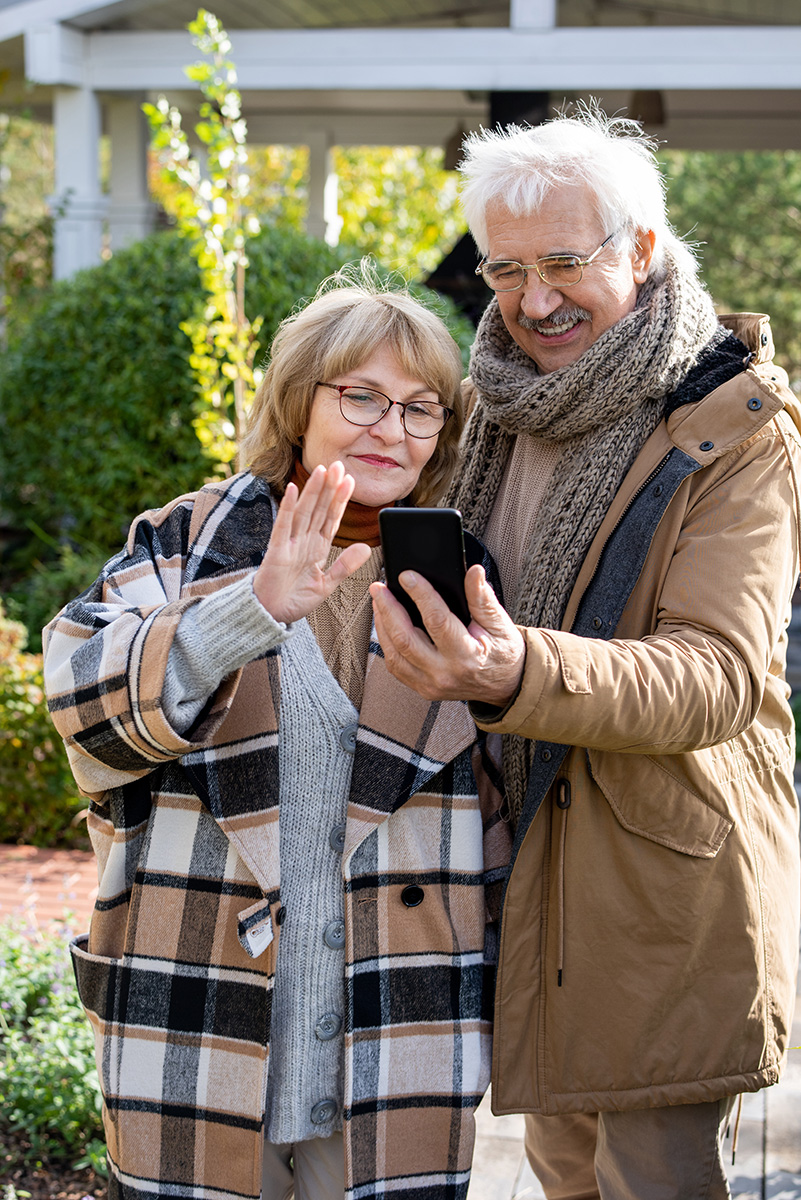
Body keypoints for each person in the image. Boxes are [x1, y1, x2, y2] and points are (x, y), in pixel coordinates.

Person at [369, 109, 801, 1199]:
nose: (535, 300)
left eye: (566, 262)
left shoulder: (737, 433)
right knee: (562, 1180)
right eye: (505, 270)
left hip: (662, 898)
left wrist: (516, 674)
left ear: (643, 250)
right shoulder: (489, 412)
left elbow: (714, 679)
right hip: (523, 879)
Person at [43, 268, 509, 1200]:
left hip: (396, 1034)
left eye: (422, 410)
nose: (391, 428)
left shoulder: (463, 579)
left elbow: (500, 812)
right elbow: (79, 706)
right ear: (300, 403)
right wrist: (246, 609)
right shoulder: (187, 543)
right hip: (196, 1014)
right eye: (362, 396)